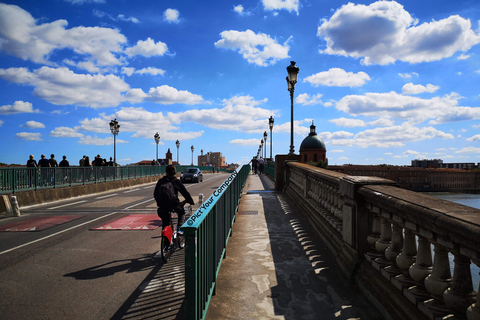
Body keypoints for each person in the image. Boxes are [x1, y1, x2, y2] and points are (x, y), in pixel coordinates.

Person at [154, 165, 195, 234]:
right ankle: (179, 229)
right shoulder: (176, 181)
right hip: (174, 204)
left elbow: (155, 194)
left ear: (166, 172)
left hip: (162, 206)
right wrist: (190, 201)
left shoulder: (161, 181)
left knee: (165, 223)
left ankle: (165, 240)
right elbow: (185, 192)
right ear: (174, 172)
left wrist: (160, 203)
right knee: (181, 213)